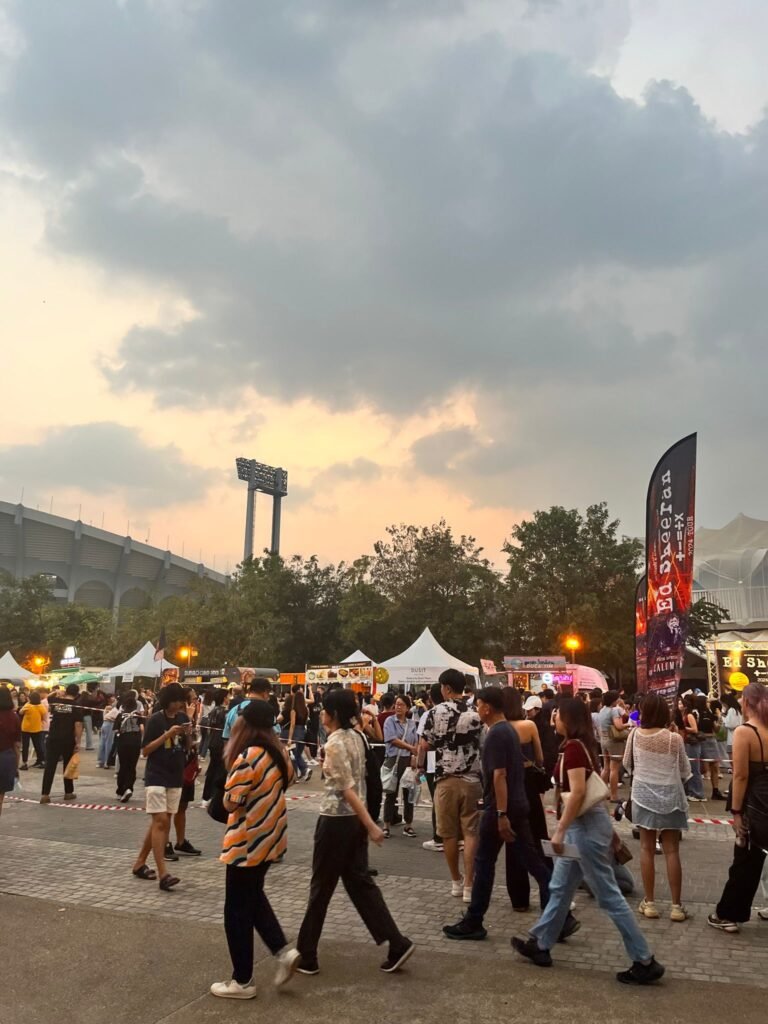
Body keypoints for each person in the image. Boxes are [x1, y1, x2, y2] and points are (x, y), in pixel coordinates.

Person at [512, 698, 665, 985]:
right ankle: (541, 943)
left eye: (557, 715)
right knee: (559, 888)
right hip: (584, 828)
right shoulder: (579, 746)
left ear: (568, 720)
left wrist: (560, 830)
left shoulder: (572, 749)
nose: (552, 719)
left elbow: (579, 792)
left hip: (584, 829)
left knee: (609, 896)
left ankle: (644, 959)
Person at [295, 689, 414, 975]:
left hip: (336, 820)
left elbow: (345, 788)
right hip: (354, 823)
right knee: (359, 883)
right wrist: (367, 821)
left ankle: (306, 955)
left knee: (322, 887)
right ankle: (396, 942)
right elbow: (366, 781)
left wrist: (372, 825)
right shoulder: (358, 737)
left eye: (324, 710)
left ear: (333, 714)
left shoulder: (335, 743)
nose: (320, 715)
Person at [443, 687, 561, 941]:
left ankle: (475, 920)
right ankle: (476, 918)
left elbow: (499, 775)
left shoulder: (497, 733)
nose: (476, 708)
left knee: (502, 863)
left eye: (478, 704)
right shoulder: (507, 730)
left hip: (502, 809)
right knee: (524, 862)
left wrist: (500, 813)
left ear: (487, 707)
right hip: (514, 806)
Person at [210, 701, 299, 999]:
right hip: (270, 837)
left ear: (245, 724)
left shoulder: (248, 756)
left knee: (235, 910)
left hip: (245, 842)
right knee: (253, 897)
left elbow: (231, 802)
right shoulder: (280, 753)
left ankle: (242, 980)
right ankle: (282, 952)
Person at [624, 693, 690, 922]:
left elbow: (626, 764)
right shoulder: (674, 739)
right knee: (672, 850)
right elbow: (685, 771)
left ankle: (650, 903)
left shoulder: (634, 735)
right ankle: (676, 906)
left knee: (646, 848)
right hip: (671, 797)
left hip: (643, 796)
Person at [419, 669, 484, 902]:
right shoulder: (477, 713)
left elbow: (426, 745)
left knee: (448, 833)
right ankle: (469, 884)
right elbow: (482, 743)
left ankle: (455, 881)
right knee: (470, 832)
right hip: (473, 779)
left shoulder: (434, 713)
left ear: (445, 688)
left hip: (445, 779)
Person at [708, 682, 768, 933]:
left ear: (746, 702)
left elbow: (741, 775)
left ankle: (728, 914)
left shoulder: (747, 732)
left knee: (745, 863)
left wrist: (736, 813)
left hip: (756, 808)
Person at [131, 683, 191, 890]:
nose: (181, 703)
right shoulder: (156, 719)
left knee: (162, 822)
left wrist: (189, 735)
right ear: (169, 701)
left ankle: (139, 863)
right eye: (178, 700)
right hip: (156, 775)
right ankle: (163, 874)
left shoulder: (183, 718)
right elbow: (146, 750)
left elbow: (187, 747)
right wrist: (167, 735)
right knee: (161, 821)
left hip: (175, 775)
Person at [503, 686, 551, 910]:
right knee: (539, 836)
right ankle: (550, 891)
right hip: (529, 785)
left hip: (508, 786)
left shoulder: (497, 730)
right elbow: (540, 758)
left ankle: (519, 899)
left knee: (513, 843)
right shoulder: (529, 726)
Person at [382, 695, 419, 839]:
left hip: (407, 760)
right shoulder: (389, 721)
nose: (398, 707)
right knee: (391, 792)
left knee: (408, 793)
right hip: (393, 759)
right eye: (397, 704)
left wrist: (414, 757)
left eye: (402, 705)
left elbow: (416, 741)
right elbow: (391, 739)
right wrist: (410, 748)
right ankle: (386, 825)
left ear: (408, 708)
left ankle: (408, 825)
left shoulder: (412, 724)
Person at [41, 683, 84, 803]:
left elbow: (47, 698)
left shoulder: (56, 701)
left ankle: (45, 794)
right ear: (76, 694)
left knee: (50, 766)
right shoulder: (76, 706)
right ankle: (68, 792)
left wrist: (57, 692)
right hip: (68, 739)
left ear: (66, 691)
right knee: (68, 765)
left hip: (53, 737)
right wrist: (78, 741)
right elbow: (78, 724)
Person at [598, 691, 629, 801]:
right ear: (614, 700)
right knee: (614, 769)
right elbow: (619, 726)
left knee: (606, 767)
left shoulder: (602, 710)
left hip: (603, 739)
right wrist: (629, 724)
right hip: (613, 741)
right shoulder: (614, 711)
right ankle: (614, 795)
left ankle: (602, 793)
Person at [693, 694, 724, 799]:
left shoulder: (711, 714)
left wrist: (719, 718)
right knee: (701, 768)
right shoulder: (696, 713)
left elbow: (716, 729)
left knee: (715, 766)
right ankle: (696, 790)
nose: (708, 704)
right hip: (701, 741)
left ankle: (715, 791)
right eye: (707, 702)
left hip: (712, 740)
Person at [114, 691, 144, 802]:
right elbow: (142, 728)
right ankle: (129, 788)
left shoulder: (120, 715)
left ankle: (120, 790)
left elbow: (116, 730)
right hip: (135, 742)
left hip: (123, 742)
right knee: (132, 766)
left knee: (123, 766)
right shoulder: (139, 715)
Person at [280, 684, 312, 782]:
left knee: (294, 754)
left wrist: (290, 738)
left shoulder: (293, 710)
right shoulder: (306, 710)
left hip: (295, 732)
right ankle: (302, 771)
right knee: (298, 753)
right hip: (303, 731)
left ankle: (304, 769)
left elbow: (292, 725)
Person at [203, 688, 229, 804]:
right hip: (221, 743)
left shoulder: (213, 711)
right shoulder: (225, 712)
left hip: (212, 742)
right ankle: (215, 795)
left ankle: (206, 795)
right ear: (224, 698)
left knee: (212, 768)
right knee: (219, 770)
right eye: (228, 696)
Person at [677, 696, 706, 801]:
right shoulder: (682, 716)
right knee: (688, 768)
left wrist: (684, 728)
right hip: (686, 743)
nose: (679, 705)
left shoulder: (689, 715)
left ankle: (698, 793)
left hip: (692, 743)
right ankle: (691, 791)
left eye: (680, 703)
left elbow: (695, 729)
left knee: (694, 768)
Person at [0, 686, 21, 817]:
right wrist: (16, 766)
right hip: (6, 758)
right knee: (0, 795)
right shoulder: (14, 718)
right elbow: (17, 745)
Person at [526, 695, 559, 778]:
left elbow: (549, 748)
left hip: (540, 766)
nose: (527, 712)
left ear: (538, 710)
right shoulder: (527, 722)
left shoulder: (543, 726)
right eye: (526, 710)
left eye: (529, 710)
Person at [19, 690, 46, 770]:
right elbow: (44, 716)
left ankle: (25, 763)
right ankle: (41, 761)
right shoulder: (41, 706)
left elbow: (20, 712)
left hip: (26, 729)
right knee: (38, 746)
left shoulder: (28, 705)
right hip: (37, 728)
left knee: (25, 746)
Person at [97, 697, 119, 769]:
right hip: (110, 725)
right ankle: (107, 762)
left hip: (104, 724)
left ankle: (100, 761)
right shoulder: (115, 709)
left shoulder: (107, 708)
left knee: (102, 743)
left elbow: (105, 716)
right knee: (108, 744)